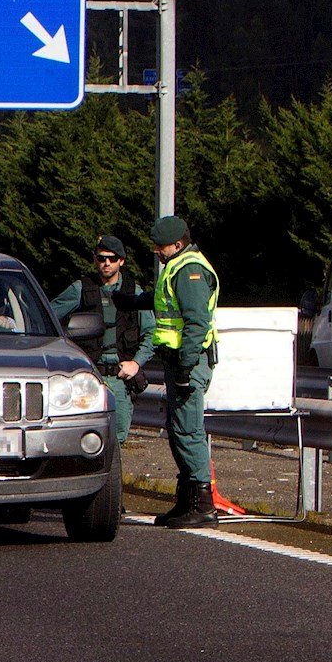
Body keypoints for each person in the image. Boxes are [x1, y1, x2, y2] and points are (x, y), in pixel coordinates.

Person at [148, 215, 220, 528]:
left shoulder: (189, 269)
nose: (156, 251)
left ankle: (203, 506)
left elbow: (196, 322)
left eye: (160, 246)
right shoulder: (178, 267)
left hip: (188, 362)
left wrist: (186, 366)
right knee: (178, 430)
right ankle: (187, 500)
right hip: (179, 361)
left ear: (177, 244)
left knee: (188, 431)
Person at [51, 234, 154, 447]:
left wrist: (136, 363)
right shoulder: (81, 289)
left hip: (119, 377)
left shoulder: (134, 292)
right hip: (88, 377)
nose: (106, 263)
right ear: (95, 259)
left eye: (112, 258)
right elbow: (49, 316)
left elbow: (151, 333)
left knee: (117, 440)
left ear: (122, 261)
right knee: (83, 438)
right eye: (101, 258)